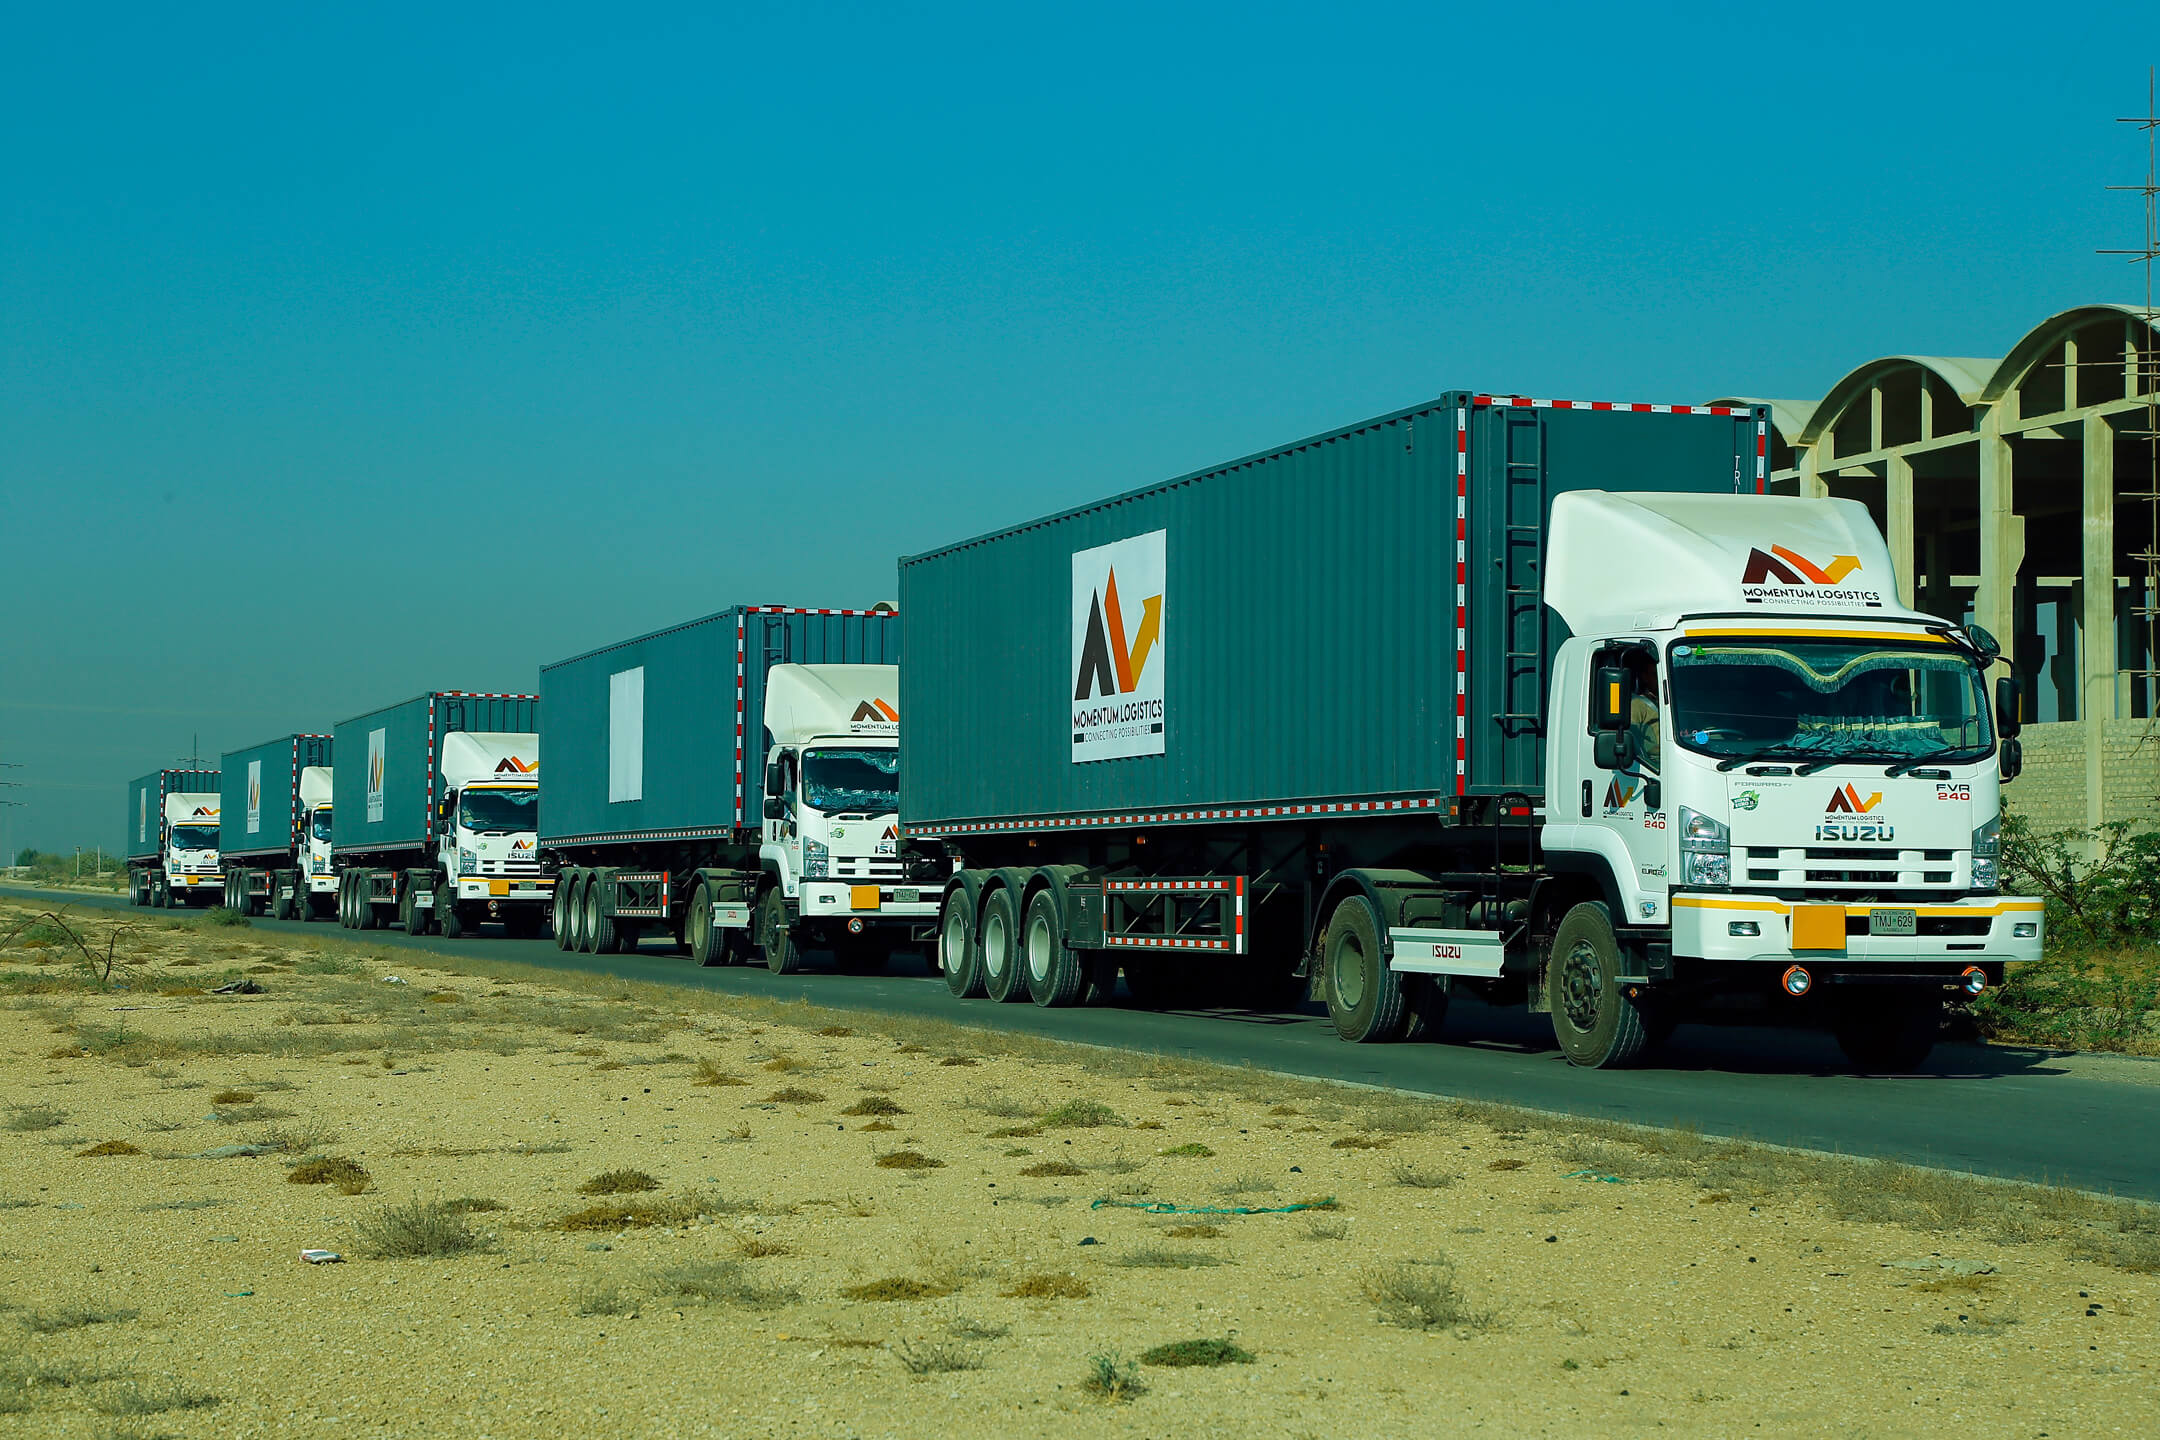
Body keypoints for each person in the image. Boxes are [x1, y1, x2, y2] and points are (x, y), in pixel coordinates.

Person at [1625, 651, 1661, 775]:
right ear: (1645, 677)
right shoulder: (1637, 705)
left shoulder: (1679, 705)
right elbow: (1630, 741)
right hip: (1655, 766)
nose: (1661, 679)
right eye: (1656, 675)